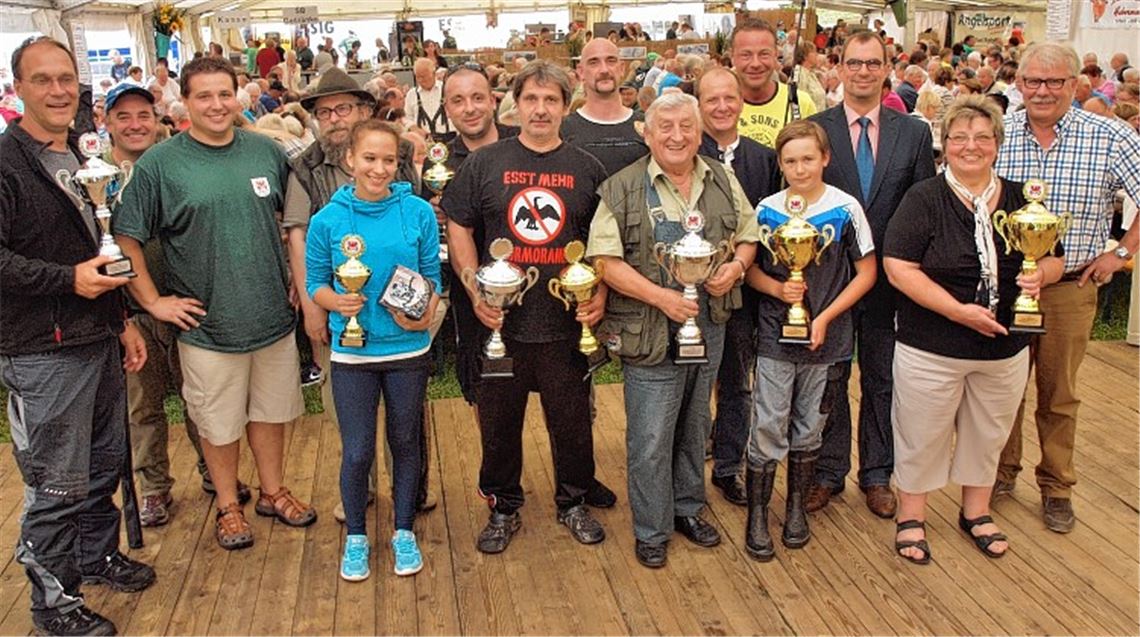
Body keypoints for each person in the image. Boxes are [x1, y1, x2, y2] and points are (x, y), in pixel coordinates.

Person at [115, 56, 316, 552]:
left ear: (238, 96)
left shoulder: (264, 152)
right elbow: (125, 237)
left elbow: (292, 222)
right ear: (184, 102)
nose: (216, 105)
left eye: (224, 94)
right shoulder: (161, 164)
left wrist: (296, 277)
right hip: (207, 324)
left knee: (272, 412)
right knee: (219, 420)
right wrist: (153, 301)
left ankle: (272, 491)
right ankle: (228, 504)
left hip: (270, 315)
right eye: (203, 96)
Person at [1, 36, 155, 637]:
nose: (59, 90)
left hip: (96, 336)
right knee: (56, 483)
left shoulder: (84, 155)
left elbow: (104, 250)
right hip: (42, 350)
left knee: (102, 466)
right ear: (19, 89)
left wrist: (121, 320)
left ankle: (97, 558)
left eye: (66, 77)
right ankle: (53, 605)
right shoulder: (8, 163)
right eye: (43, 80)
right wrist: (68, 280)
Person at [883, 96, 1064, 563]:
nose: (971, 146)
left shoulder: (1026, 197)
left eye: (983, 137)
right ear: (945, 145)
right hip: (932, 344)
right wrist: (956, 311)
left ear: (998, 145)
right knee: (922, 433)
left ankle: (976, 512)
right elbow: (899, 267)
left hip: (1005, 347)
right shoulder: (924, 197)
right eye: (960, 137)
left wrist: (1040, 274)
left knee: (989, 432)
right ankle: (912, 517)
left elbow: (1055, 258)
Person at [586, 93, 759, 568]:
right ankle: (651, 527)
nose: (677, 136)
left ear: (700, 132)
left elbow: (749, 234)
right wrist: (661, 296)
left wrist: (738, 268)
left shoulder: (722, 177)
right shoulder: (620, 187)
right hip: (649, 327)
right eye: (666, 127)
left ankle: (687, 509)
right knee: (650, 436)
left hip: (710, 323)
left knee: (695, 424)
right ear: (647, 132)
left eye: (686, 126)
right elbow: (604, 259)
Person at [443, 60, 609, 555]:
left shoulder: (587, 168)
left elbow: (603, 242)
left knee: (573, 422)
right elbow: (458, 225)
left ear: (566, 105)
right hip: (502, 324)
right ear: (514, 102)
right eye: (531, 99)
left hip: (563, 324)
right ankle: (503, 506)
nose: (540, 110)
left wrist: (599, 291)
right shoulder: (485, 163)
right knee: (497, 425)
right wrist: (476, 291)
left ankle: (574, 501)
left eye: (551, 100)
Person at [994, 43, 1140, 533]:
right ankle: (999, 474)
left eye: (1055, 82)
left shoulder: (1111, 136)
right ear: (1020, 82)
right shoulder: (999, 133)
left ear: (1076, 83)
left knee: (1059, 393)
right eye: (1033, 80)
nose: (1042, 91)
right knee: (1002, 387)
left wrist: (1120, 252)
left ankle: (1057, 486)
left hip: (1072, 285)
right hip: (1007, 285)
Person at [283, 68, 424, 523]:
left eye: (343, 108)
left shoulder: (397, 161)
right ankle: (358, 495)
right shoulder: (303, 166)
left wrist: (424, 302)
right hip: (343, 315)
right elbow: (299, 238)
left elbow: (418, 239)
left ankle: (410, 496)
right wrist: (314, 307)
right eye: (324, 111)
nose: (333, 117)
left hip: (403, 323)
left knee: (407, 427)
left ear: (364, 110)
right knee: (353, 425)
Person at [806, 31, 936, 519]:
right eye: (853, 63)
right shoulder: (816, 130)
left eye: (872, 64)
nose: (862, 72)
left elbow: (924, 205)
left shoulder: (914, 133)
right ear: (839, 69)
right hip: (832, 279)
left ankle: (878, 474)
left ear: (887, 69)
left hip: (891, 281)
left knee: (883, 378)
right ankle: (827, 472)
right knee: (832, 376)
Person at [306, 119, 441, 581]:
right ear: (350, 159)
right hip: (352, 352)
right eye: (370, 158)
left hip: (407, 349)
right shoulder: (327, 220)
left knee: (405, 443)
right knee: (358, 450)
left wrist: (422, 313)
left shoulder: (418, 212)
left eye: (388, 160)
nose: (379, 169)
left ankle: (404, 531)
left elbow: (432, 278)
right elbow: (314, 283)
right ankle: (357, 538)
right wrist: (334, 301)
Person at [744, 120, 876, 561]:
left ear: (825, 158)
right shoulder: (765, 209)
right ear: (780, 165)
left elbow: (867, 273)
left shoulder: (845, 209)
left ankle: (796, 506)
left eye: (807, 158)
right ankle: (759, 515)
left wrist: (827, 316)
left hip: (827, 340)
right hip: (775, 339)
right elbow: (751, 270)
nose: (800, 168)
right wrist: (778, 289)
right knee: (767, 421)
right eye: (790, 160)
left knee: (810, 423)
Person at [696, 67, 781, 506]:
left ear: (742, 102)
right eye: (712, 100)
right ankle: (686, 468)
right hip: (694, 292)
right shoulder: (686, 152)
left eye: (729, 98)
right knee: (690, 382)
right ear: (699, 104)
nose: (722, 107)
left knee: (737, 382)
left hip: (746, 293)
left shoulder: (765, 159)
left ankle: (729, 467)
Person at [561, 38, 648, 177]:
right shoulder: (563, 131)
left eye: (611, 61)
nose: (604, 70)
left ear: (622, 68)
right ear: (581, 72)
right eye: (594, 62)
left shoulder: (647, 126)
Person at [730, 19, 818, 148]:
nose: (755, 64)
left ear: (776, 55)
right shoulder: (719, 107)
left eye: (764, 54)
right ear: (732, 57)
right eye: (746, 55)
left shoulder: (800, 102)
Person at [404, 57, 452, 141]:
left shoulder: (448, 89)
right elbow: (407, 118)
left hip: (449, 139)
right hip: (424, 141)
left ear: (434, 74)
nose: (421, 80)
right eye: (418, 77)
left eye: (424, 76)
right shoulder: (411, 94)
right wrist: (413, 127)